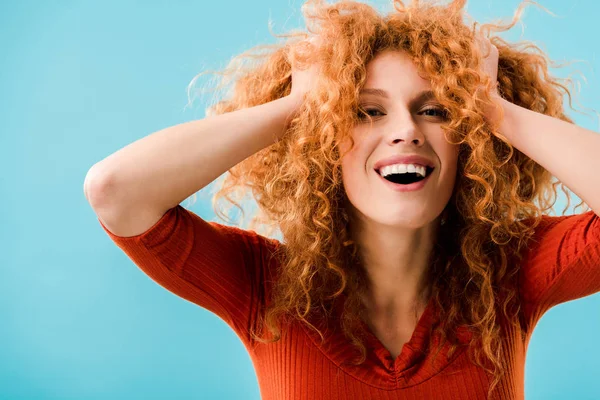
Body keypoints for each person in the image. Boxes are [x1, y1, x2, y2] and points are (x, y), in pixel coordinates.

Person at [84, 0, 600, 399]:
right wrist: (298, 106)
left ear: (471, 143)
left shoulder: (511, 272)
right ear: (322, 141)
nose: (405, 131)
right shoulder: (265, 285)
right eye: (368, 112)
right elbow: (115, 190)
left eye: (438, 111)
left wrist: (491, 107)